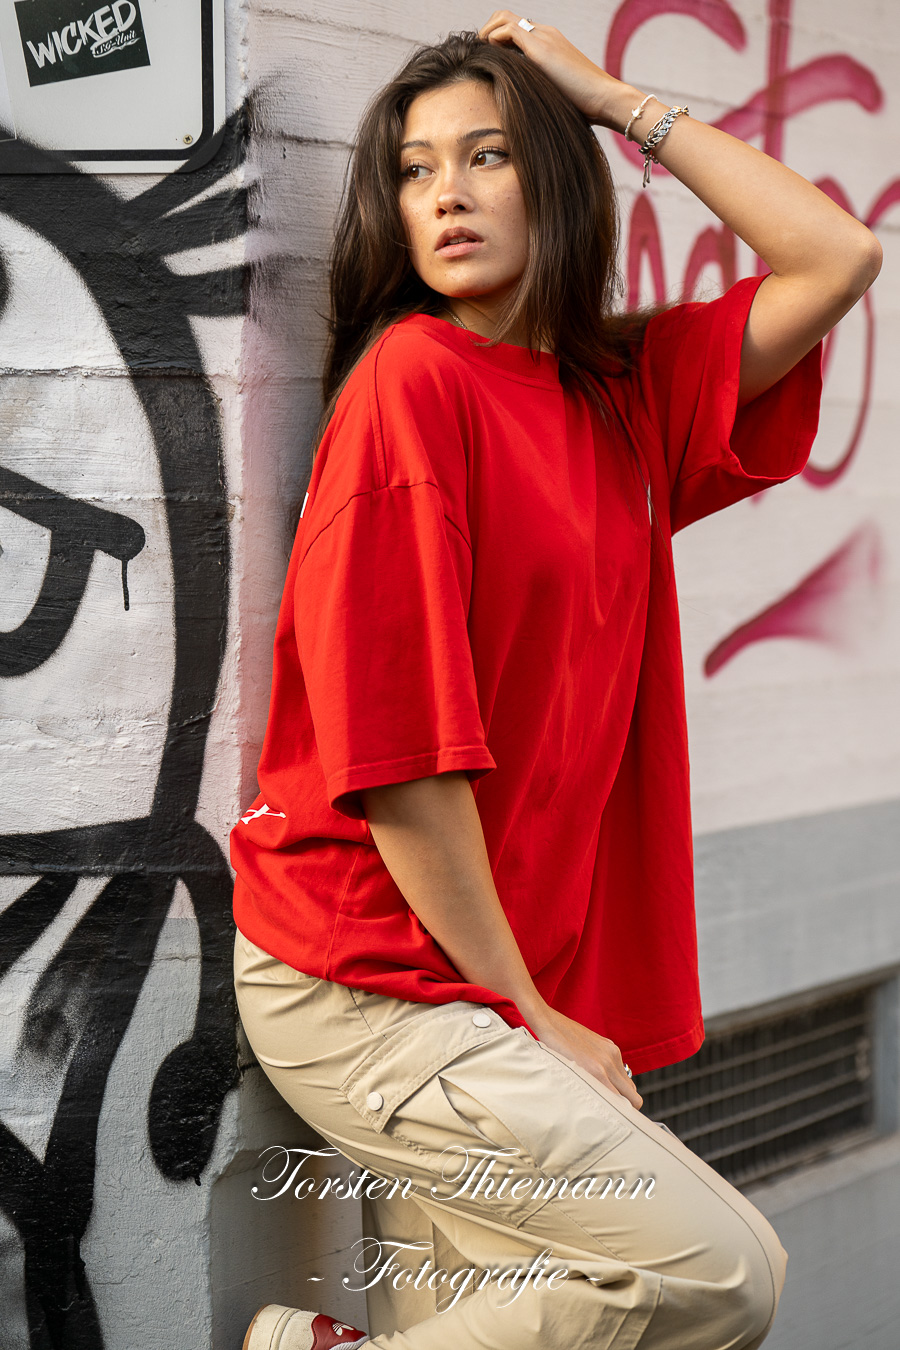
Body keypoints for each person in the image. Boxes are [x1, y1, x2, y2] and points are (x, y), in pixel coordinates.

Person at [231, 12, 881, 1350]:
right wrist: (530, 1015)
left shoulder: (619, 392)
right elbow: (402, 766)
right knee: (717, 1272)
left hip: (482, 972)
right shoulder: (411, 388)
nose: (448, 192)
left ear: (555, 171)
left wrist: (603, 95)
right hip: (371, 974)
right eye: (414, 170)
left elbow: (836, 252)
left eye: (487, 155)